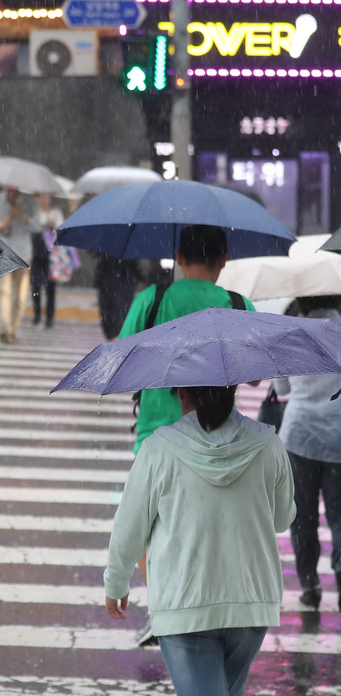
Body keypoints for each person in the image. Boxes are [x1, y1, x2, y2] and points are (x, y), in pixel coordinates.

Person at [104, 384, 295, 696]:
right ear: (234, 390)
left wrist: (115, 582)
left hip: (184, 604)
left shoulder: (159, 448)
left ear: (180, 391)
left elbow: (130, 525)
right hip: (249, 602)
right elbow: (281, 518)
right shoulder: (268, 443)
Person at [119, 225, 256, 647]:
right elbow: (252, 373)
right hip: (218, 434)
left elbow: (124, 358)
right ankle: (209, 607)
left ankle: (163, 607)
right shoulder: (236, 304)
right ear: (224, 260)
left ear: (178, 257)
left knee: (152, 526)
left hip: (156, 435)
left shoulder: (152, 300)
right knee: (210, 525)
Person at [273, 295, 341, 611]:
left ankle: (310, 583)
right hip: (338, 437)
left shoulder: (293, 334)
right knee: (339, 518)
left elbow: (282, 389)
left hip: (299, 437)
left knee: (303, 517)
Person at [0, 187, 39, 343]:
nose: (11, 192)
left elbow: (38, 226)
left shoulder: (30, 202)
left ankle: (13, 330)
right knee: (3, 291)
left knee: (20, 296)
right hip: (2, 252)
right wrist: (1, 225)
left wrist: (22, 217)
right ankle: (4, 330)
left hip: (23, 254)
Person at [30, 193, 63, 329]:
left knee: (51, 287)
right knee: (35, 285)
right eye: (41, 197)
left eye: (46, 196)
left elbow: (62, 231)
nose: (43, 200)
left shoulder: (56, 213)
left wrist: (53, 225)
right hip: (36, 254)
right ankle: (37, 314)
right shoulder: (34, 213)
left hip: (51, 255)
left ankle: (50, 318)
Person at [93, 254, 142, 340]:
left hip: (125, 274)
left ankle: (118, 336)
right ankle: (115, 336)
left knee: (120, 309)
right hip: (108, 274)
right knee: (110, 310)